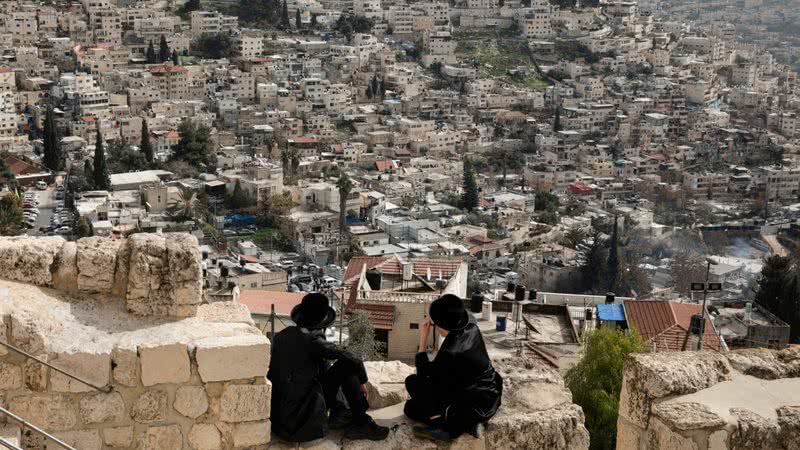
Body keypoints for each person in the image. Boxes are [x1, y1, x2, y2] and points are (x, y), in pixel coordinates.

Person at [268, 293, 389, 442]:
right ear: (321, 322)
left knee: (332, 366)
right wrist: (362, 382)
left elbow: (321, 368)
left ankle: (340, 412)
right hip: (299, 424)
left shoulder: (282, 336)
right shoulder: (313, 342)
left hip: (280, 420)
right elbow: (352, 358)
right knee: (347, 365)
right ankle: (361, 422)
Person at [404, 294, 503, 442]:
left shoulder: (450, 351)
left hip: (468, 405)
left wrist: (423, 339)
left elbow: (424, 375)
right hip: (490, 396)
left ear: (438, 324)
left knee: (410, 397)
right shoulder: (472, 328)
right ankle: (470, 423)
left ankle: (449, 426)